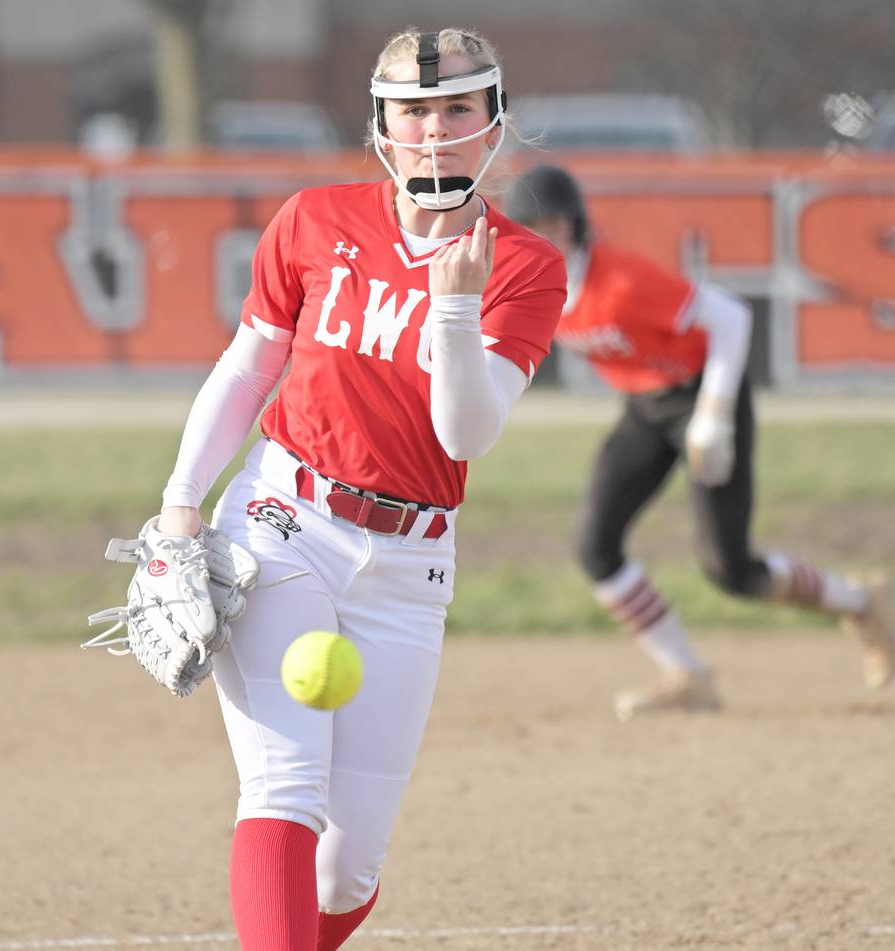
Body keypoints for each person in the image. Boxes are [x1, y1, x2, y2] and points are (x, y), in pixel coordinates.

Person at [147, 29, 566, 950]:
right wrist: (180, 506)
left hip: (412, 560)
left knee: (347, 872)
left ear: (493, 119)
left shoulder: (526, 263)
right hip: (281, 519)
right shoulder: (312, 219)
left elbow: (468, 433)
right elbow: (248, 368)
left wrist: (455, 307)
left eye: (457, 107)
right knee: (284, 789)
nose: (434, 130)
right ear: (382, 122)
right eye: (414, 110)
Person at [503, 164, 895, 721]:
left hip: (703, 392)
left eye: (556, 223)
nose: (546, 236)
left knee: (730, 570)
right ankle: (687, 676)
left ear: (577, 225)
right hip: (646, 408)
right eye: (531, 226)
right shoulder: (527, 288)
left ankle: (861, 602)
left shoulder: (619, 281)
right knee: (595, 548)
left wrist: (714, 416)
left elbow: (731, 319)